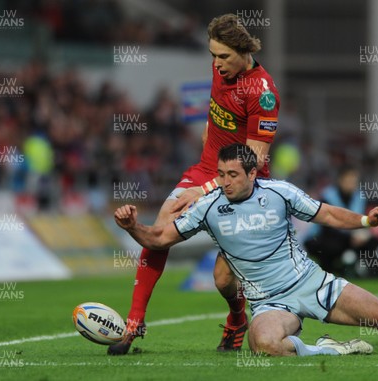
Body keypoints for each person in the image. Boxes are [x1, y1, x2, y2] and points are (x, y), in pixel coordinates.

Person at [113, 143, 378, 357]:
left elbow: (329, 215)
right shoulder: (208, 208)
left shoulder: (280, 193)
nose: (224, 181)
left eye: (233, 174)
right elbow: (159, 240)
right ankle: (330, 350)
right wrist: (133, 227)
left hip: (313, 284)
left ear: (252, 173)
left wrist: (367, 221)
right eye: (220, 174)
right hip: (269, 303)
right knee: (263, 343)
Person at [108, 14, 280, 355]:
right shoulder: (220, 70)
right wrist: (206, 143)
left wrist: (203, 191)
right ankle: (134, 322)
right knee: (160, 230)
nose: (216, 64)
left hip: (244, 185)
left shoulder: (263, 94)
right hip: (206, 169)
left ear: (244, 51)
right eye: (213, 55)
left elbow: (255, 161)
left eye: (224, 57)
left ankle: (236, 319)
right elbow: (216, 109)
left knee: (222, 280)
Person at [304, 165, 378, 279]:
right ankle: (334, 268)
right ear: (340, 180)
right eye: (349, 180)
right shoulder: (327, 196)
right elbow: (326, 227)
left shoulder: (359, 197)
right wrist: (351, 236)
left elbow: (363, 220)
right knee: (332, 245)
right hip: (321, 238)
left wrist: (362, 235)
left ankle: (358, 266)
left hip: (348, 237)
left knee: (374, 240)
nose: (352, 184)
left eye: (354, 181)